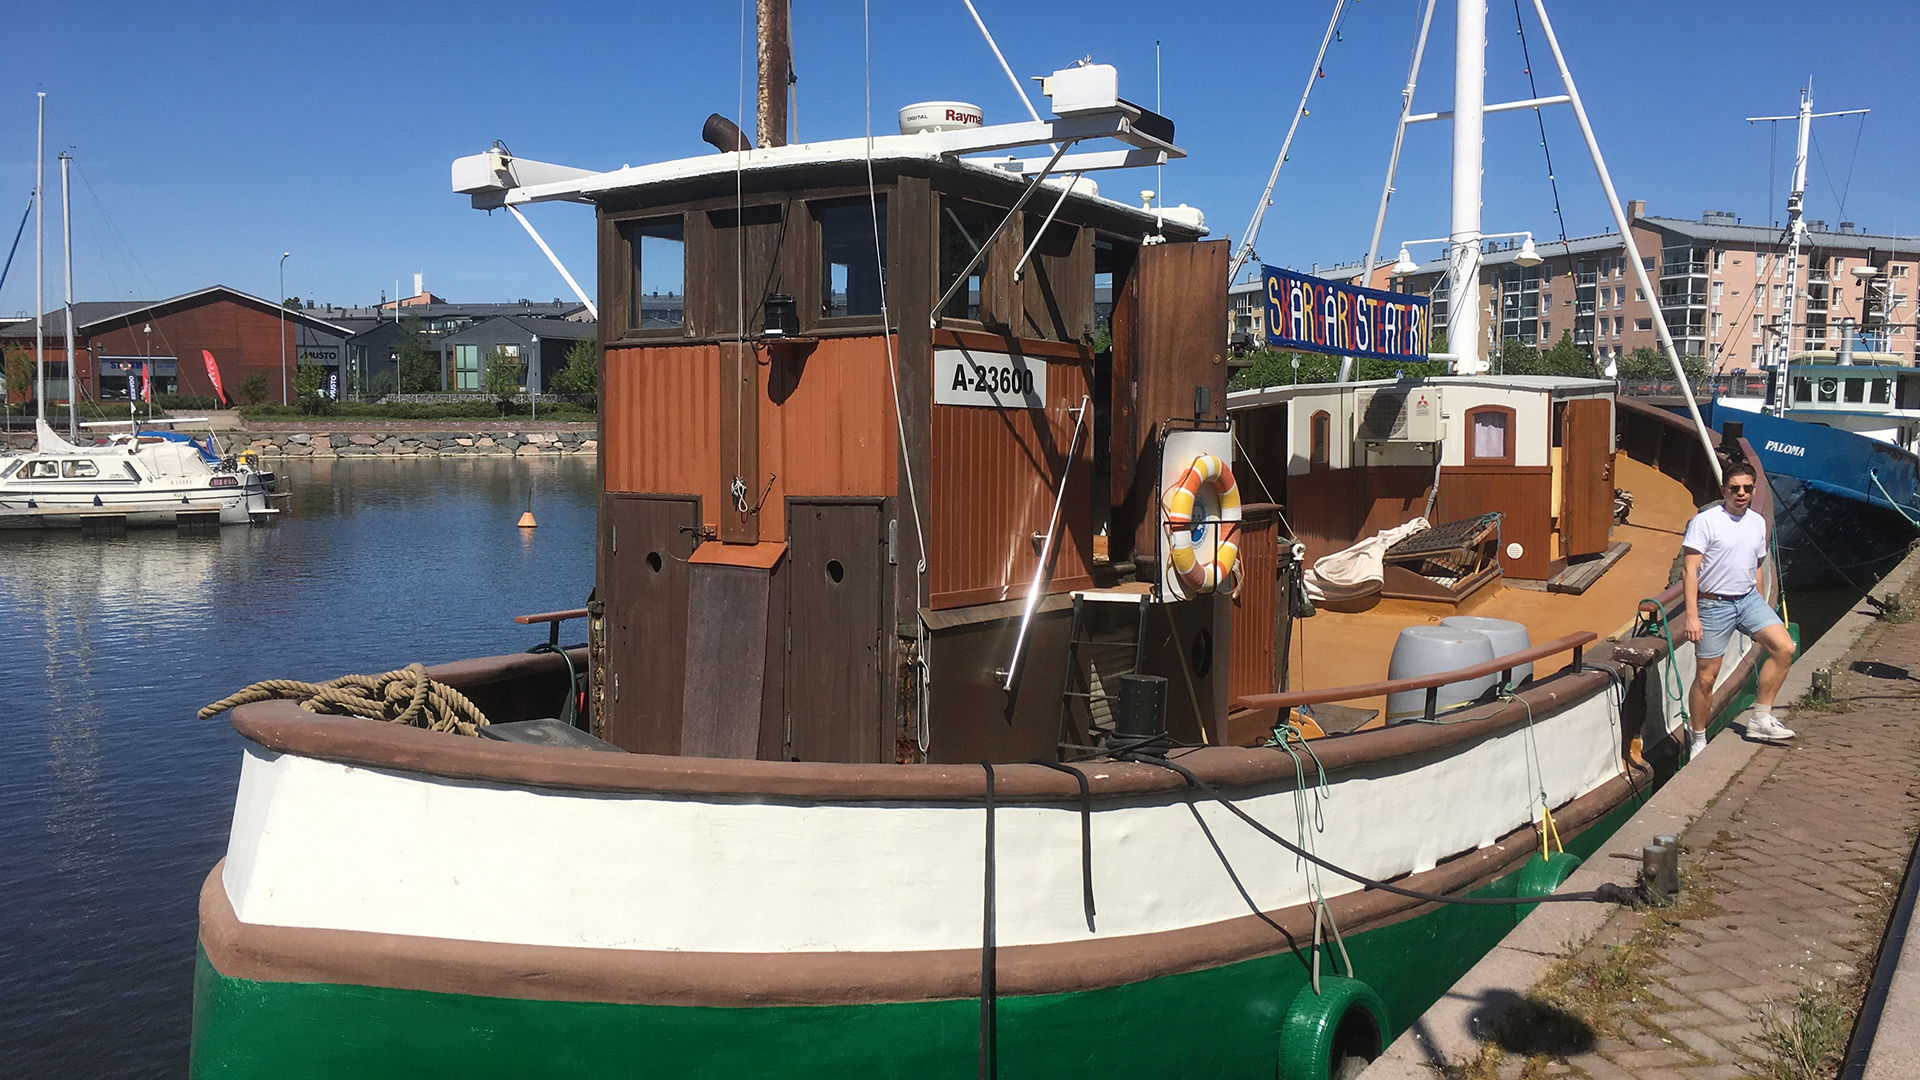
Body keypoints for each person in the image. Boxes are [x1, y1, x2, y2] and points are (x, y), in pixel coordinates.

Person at [1681, 462, 1796, 754]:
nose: (1741, 493)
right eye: (1735, 488)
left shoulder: (1757, 522)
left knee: (1784, 648)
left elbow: (1756, 566)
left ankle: (1760, 718)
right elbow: (1690, 570)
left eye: (1747, 488)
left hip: (1747, 600)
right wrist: (1692, 616)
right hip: (1713, 603)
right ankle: (1698, 738)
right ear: (1724, 490)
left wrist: (1762, 605)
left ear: (1754, 490)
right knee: (1707, 676)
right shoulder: (1705, 522)